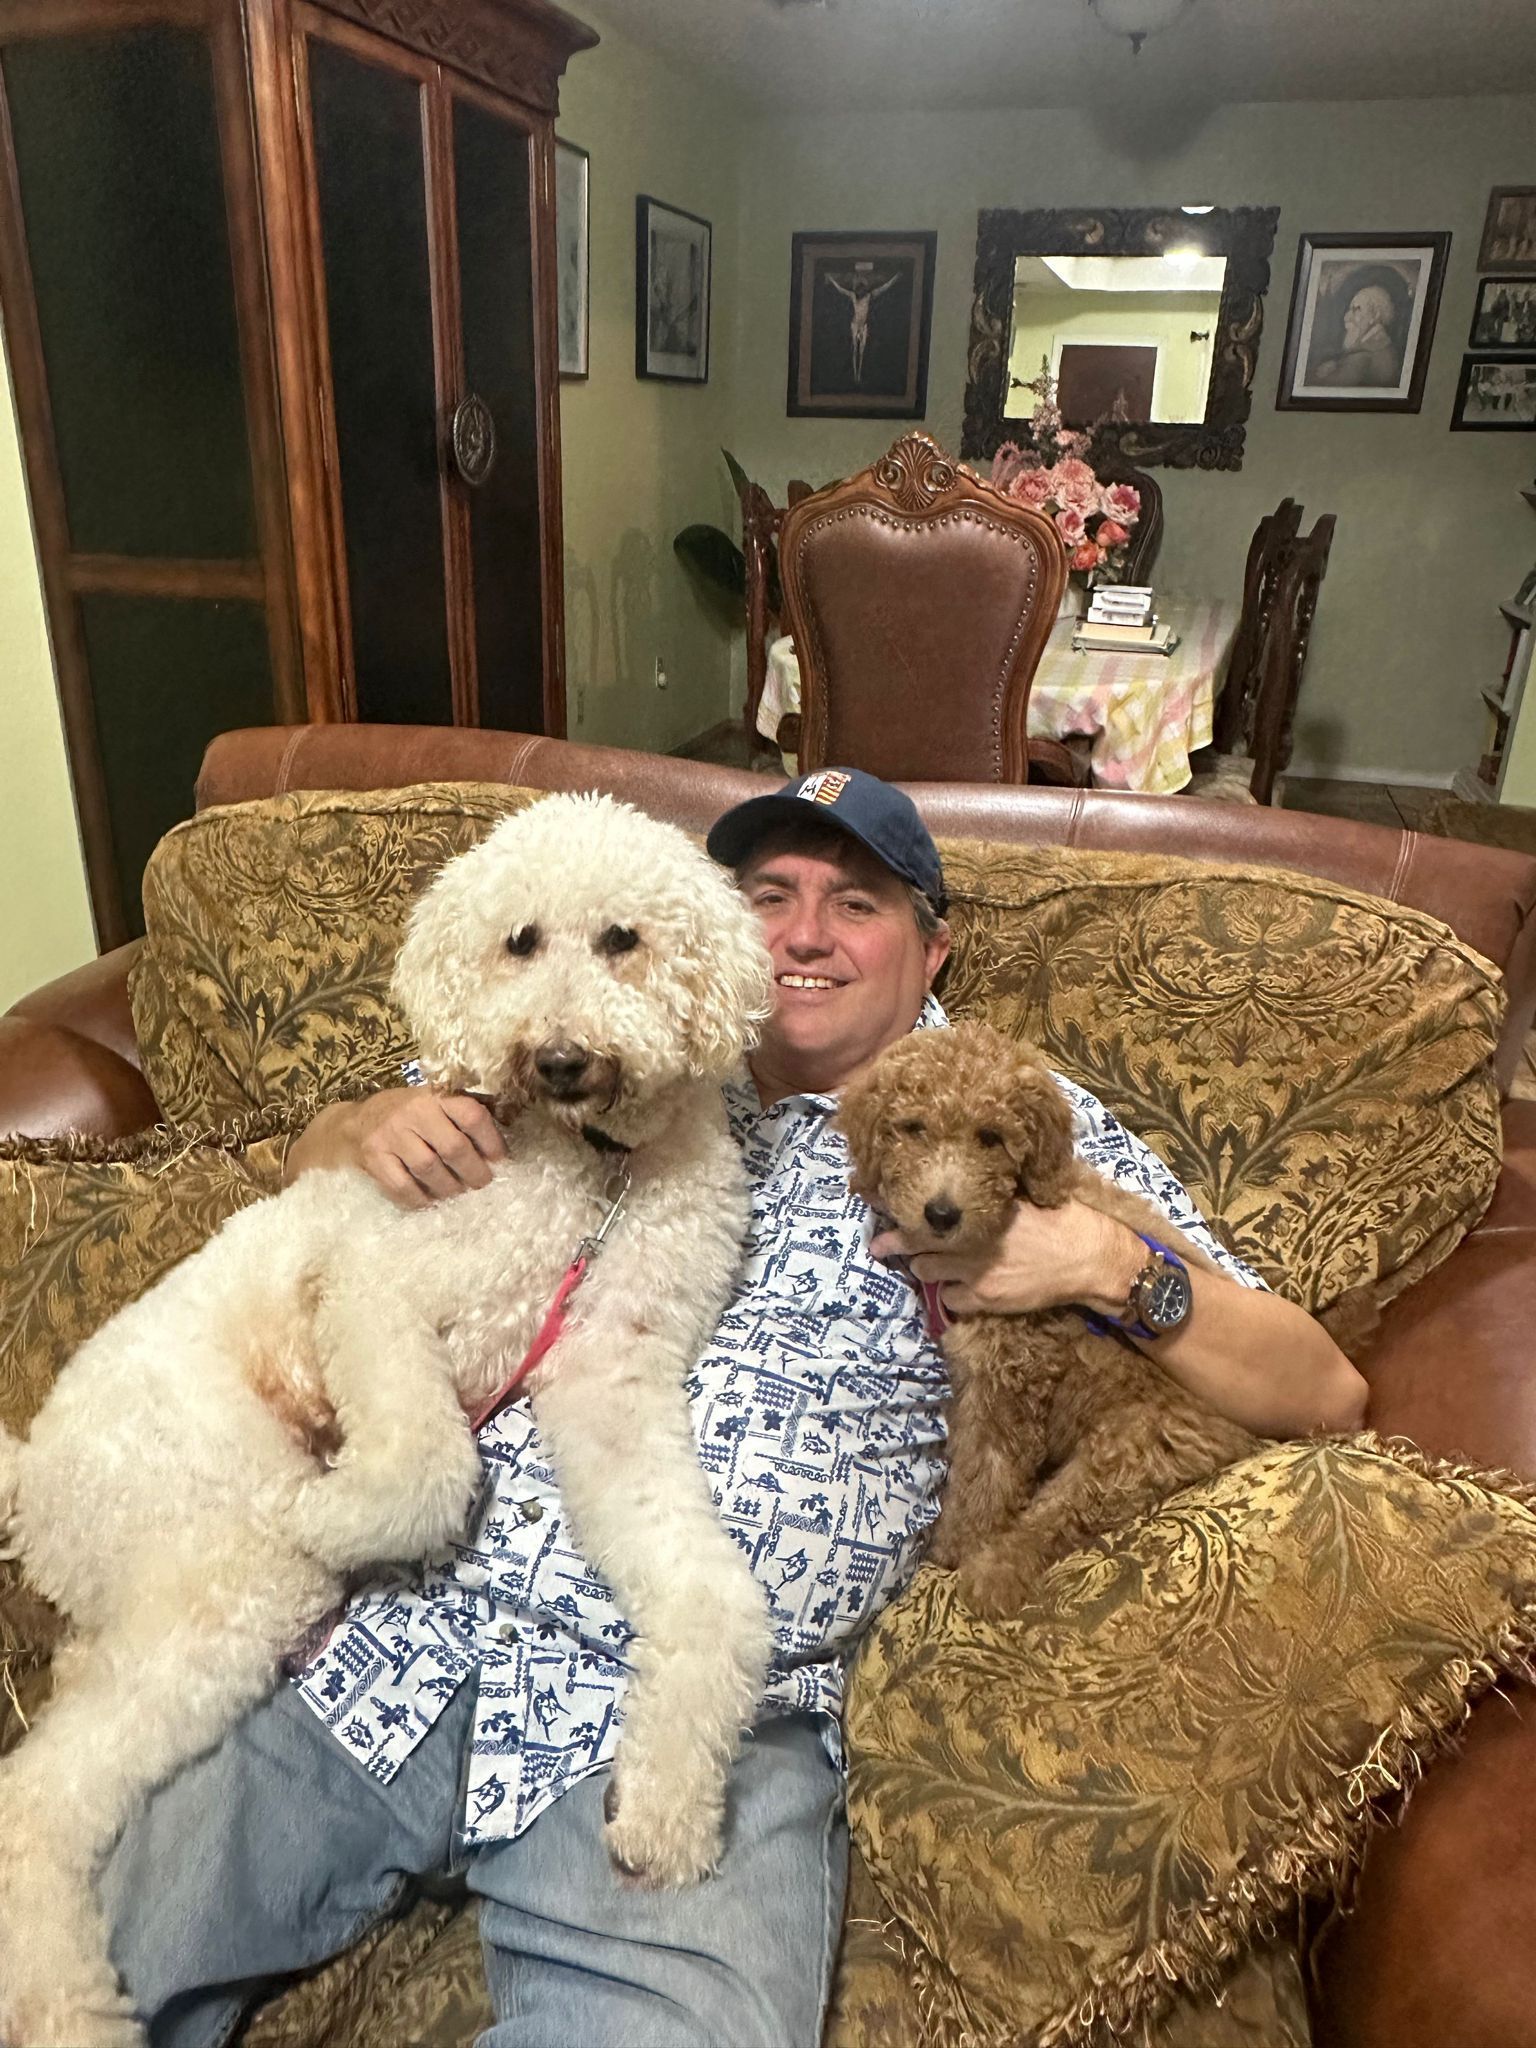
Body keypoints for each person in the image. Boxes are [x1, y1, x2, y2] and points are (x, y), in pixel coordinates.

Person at [99, 769, 1365, 2048]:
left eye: (854, 902)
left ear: (933, 947)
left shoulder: (1023, 1120)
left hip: (702, 1714)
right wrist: (354, 1121)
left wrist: (1102, 1264)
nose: (805, 931)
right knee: (67, 1940)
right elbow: (322, 1178)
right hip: (408, 1625)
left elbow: (1323, 1385)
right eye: (770, 894)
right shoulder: (586, 1038)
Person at [1310, 276, 1406, 389]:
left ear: (1375, 315)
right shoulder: (1378, 347)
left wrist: (1331, 371)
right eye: (1350, 309)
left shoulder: (1364, 357)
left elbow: (1317, 389)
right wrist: (1335, 365)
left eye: (1357, 309)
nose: (1346, 317)